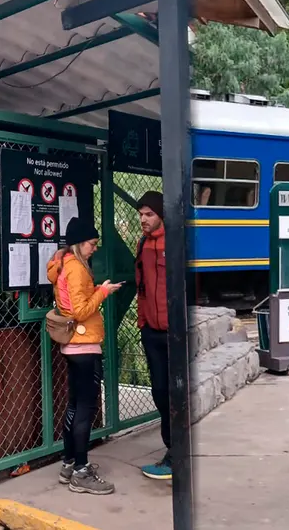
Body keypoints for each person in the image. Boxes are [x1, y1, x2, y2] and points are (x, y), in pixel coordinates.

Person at [47, 218, 123, 495]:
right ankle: (81, 471)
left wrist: (98, 289)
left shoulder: (63, 265)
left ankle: (69, 463)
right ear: (79, 243)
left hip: (72, 346)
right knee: (86, 409)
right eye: (92, 243)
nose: (94, 248)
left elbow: (72, 302)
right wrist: (102, 291)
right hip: (84, 345)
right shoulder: (77, 269)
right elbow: (79, 311)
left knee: (74, 405)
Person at [134, 191, 171, 480]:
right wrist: (143, 323)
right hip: (152, 333)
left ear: (161, 214)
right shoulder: (142, 246)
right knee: (159, 392)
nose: (143, 219)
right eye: (141, 214)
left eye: (149, 214)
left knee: (178, 395)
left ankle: (177, 455)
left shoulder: (175, 243)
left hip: (175, 335)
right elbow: (142, 287)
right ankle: (172, 450)